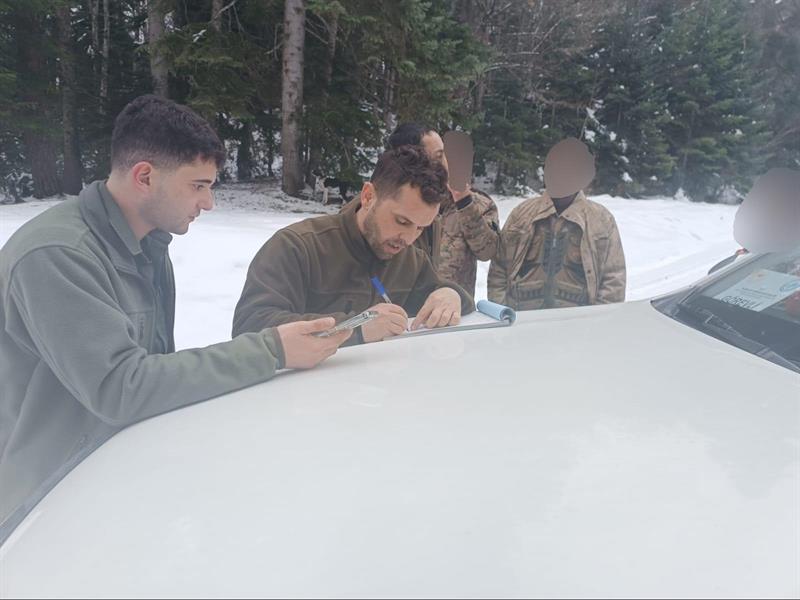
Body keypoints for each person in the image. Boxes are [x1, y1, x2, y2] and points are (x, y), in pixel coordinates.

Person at [0, 95, 350, 540]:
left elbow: (155, 366)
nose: (209, 202)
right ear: (145, 177)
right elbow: (121, 388)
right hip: (42, 511)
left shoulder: (147, 243)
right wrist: (271, 350)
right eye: (198, 185)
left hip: (109, 483)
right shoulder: (57, 256)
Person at [233, 145, 475, 343]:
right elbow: (250, 325)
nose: (409, 238)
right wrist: (355, 326)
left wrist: (450, 294)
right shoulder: (297, 247)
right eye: (402, 221)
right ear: (368, 196)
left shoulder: (411, 260)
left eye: (421, 228)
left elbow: (452, 298)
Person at [488, 137, 626, 309]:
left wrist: (597, 320)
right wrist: (502, 313)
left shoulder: (601, 220)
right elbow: (499, 269)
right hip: (522, 319)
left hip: (577, 322)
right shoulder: (521, 214)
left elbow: (613, 280)